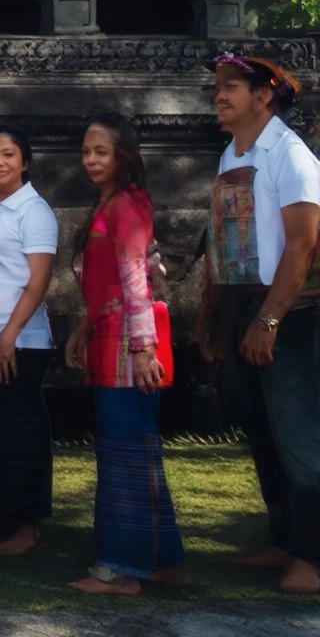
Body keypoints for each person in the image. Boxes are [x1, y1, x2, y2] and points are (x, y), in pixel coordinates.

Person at [200, 53, 320, 594]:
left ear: (264, 96)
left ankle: (313, 559)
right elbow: (223, 242)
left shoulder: (290, 155)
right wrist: (214, 317)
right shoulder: (232, 153)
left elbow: (302, 245)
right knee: (262, 431)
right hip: (239, 306)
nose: (220, 96)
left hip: (286, 313)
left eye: (231, 88)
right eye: (219, 88)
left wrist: (269, 319)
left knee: (300, 437)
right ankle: (284, 539)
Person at [66, 113, 183, 596]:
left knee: (123, 455)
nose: (91, 160)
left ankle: (120, 569)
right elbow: (113, 281)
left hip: (126, 346)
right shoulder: (115, 203)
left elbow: (136, 280)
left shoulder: (125, 206)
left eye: (102, 151)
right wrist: (82, 326)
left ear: (124, 157)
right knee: (137, 451)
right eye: (87, 151)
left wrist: (141, 349)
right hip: (111, 335)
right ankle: (158, 560)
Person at [0, 125, 57, 557]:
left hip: (22, 340)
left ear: (24, 161)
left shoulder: (34, 211)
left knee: (21, 432)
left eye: (8, 154)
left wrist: (9, 335)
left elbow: (38, 281)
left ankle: (28, 524)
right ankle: (5, 519)